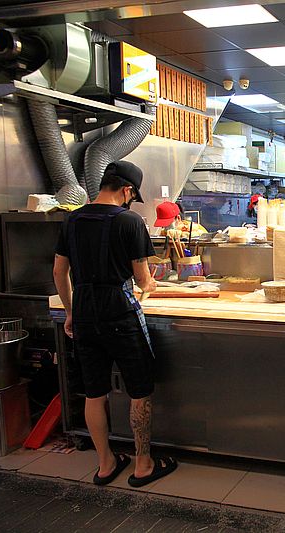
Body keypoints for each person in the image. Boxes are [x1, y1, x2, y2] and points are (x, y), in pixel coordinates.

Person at [53, 161, 178, 487]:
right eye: (131, 195)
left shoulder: (72, 219)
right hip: (120, 315)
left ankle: (106, 464)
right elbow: (142, 279)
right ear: (126, 190)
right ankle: (143, 465)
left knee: (95, 393)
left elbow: (59, 273)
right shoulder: (130, 221)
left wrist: (70, 312)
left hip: (84, 314)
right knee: (139, 390)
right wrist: (152, 285)